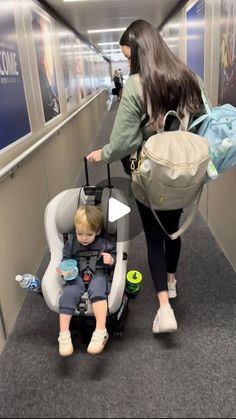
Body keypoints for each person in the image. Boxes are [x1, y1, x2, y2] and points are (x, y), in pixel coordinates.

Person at [86, 20, 206, 335]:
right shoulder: (189, 77)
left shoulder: (137, 85)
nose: (128, 64)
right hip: (183, 171)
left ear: (141, 54)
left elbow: (124, 141)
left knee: (153, 237)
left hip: (149, 174)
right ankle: (171, 279)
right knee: (173, 231)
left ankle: (164, 308)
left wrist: (104, 154)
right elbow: (203, 119)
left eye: (129, 58)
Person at [57, 205, 116, 357]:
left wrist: (111, 260)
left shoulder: (104, 243)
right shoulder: (71, 243)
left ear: (97, 231)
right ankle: (64, 334)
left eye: (89, 234)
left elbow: (115, 257)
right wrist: (64, 269)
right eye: (79, 233)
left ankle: (101, 330)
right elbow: (66, 259)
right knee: (69, 293)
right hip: (77, 275)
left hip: (98, 273)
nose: (83, 238)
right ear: (75, 230)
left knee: (98, 290)